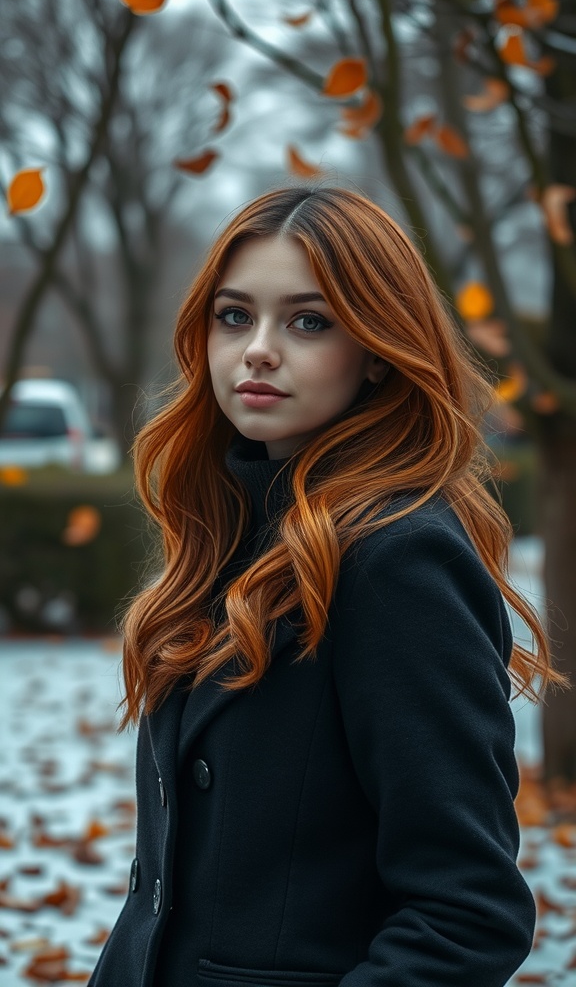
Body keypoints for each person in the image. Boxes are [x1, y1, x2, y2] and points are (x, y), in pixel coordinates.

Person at [88, 186, 564, 987]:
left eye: (309, 321)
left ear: (378, 348)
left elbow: (466, 912)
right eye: (234, 316)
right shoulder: (228, 534)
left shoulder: (396, 558)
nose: (259, 350)